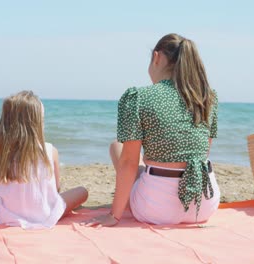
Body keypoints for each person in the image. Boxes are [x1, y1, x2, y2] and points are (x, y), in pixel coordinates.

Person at [83, 33, 220, 227]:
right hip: (204, 204)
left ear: (157, 57)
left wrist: (113, 216)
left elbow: (129, 163)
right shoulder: (207, 98)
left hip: (157, 209)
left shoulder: (139, 97)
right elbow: (201, 153)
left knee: (117, 147)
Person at [0, 91, 88, 229]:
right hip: (47, 215)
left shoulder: (0, 151)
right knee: (82, 192)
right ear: (37, 123)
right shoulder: (50, 150)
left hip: (9, 214)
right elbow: (56, 188)